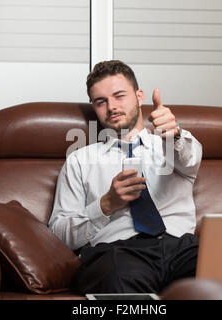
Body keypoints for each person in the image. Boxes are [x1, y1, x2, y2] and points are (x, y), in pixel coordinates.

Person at [48, 60, 203, 294]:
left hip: (181, 248)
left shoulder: (173, 143)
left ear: (140, 97)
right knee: (117, 273)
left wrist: (174, 134)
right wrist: (105, 204)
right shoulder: (79, 160)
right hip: (117, 252)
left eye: (119, 96)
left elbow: (188, 158)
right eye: (101, 102)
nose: (111, 107)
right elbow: (59, 235)